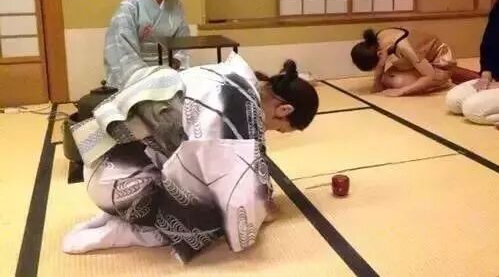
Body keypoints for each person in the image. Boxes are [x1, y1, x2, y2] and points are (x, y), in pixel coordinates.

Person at [63, 53, 319, 263]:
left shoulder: (229, 74)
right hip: (124, 181)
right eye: (279, 128)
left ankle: (122, 214)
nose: (269, 131)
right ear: (284, 109)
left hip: (102, 161)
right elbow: (238, 195)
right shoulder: (237, 103)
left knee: (205, 172)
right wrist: (262, 205)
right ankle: (133, 231)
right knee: (215, 208)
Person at [104, 0, 193, 89]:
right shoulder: (129, 8)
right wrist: (151, 79)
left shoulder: (176, 6)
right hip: (138, 82)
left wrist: (174, 69)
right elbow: (124, 56)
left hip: (170, 78)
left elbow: (182, 48)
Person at [351, 27, 456, 96]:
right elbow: (380, 67)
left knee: (399, 82)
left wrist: (402, 91)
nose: (376, 69)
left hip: (440, 63)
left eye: (375, 67)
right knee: (387, 79)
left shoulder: (406, 48)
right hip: (422, 60)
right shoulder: (377, 41)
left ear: (379, 54)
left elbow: (429, 76)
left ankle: (443, 82)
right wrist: (377, 83)